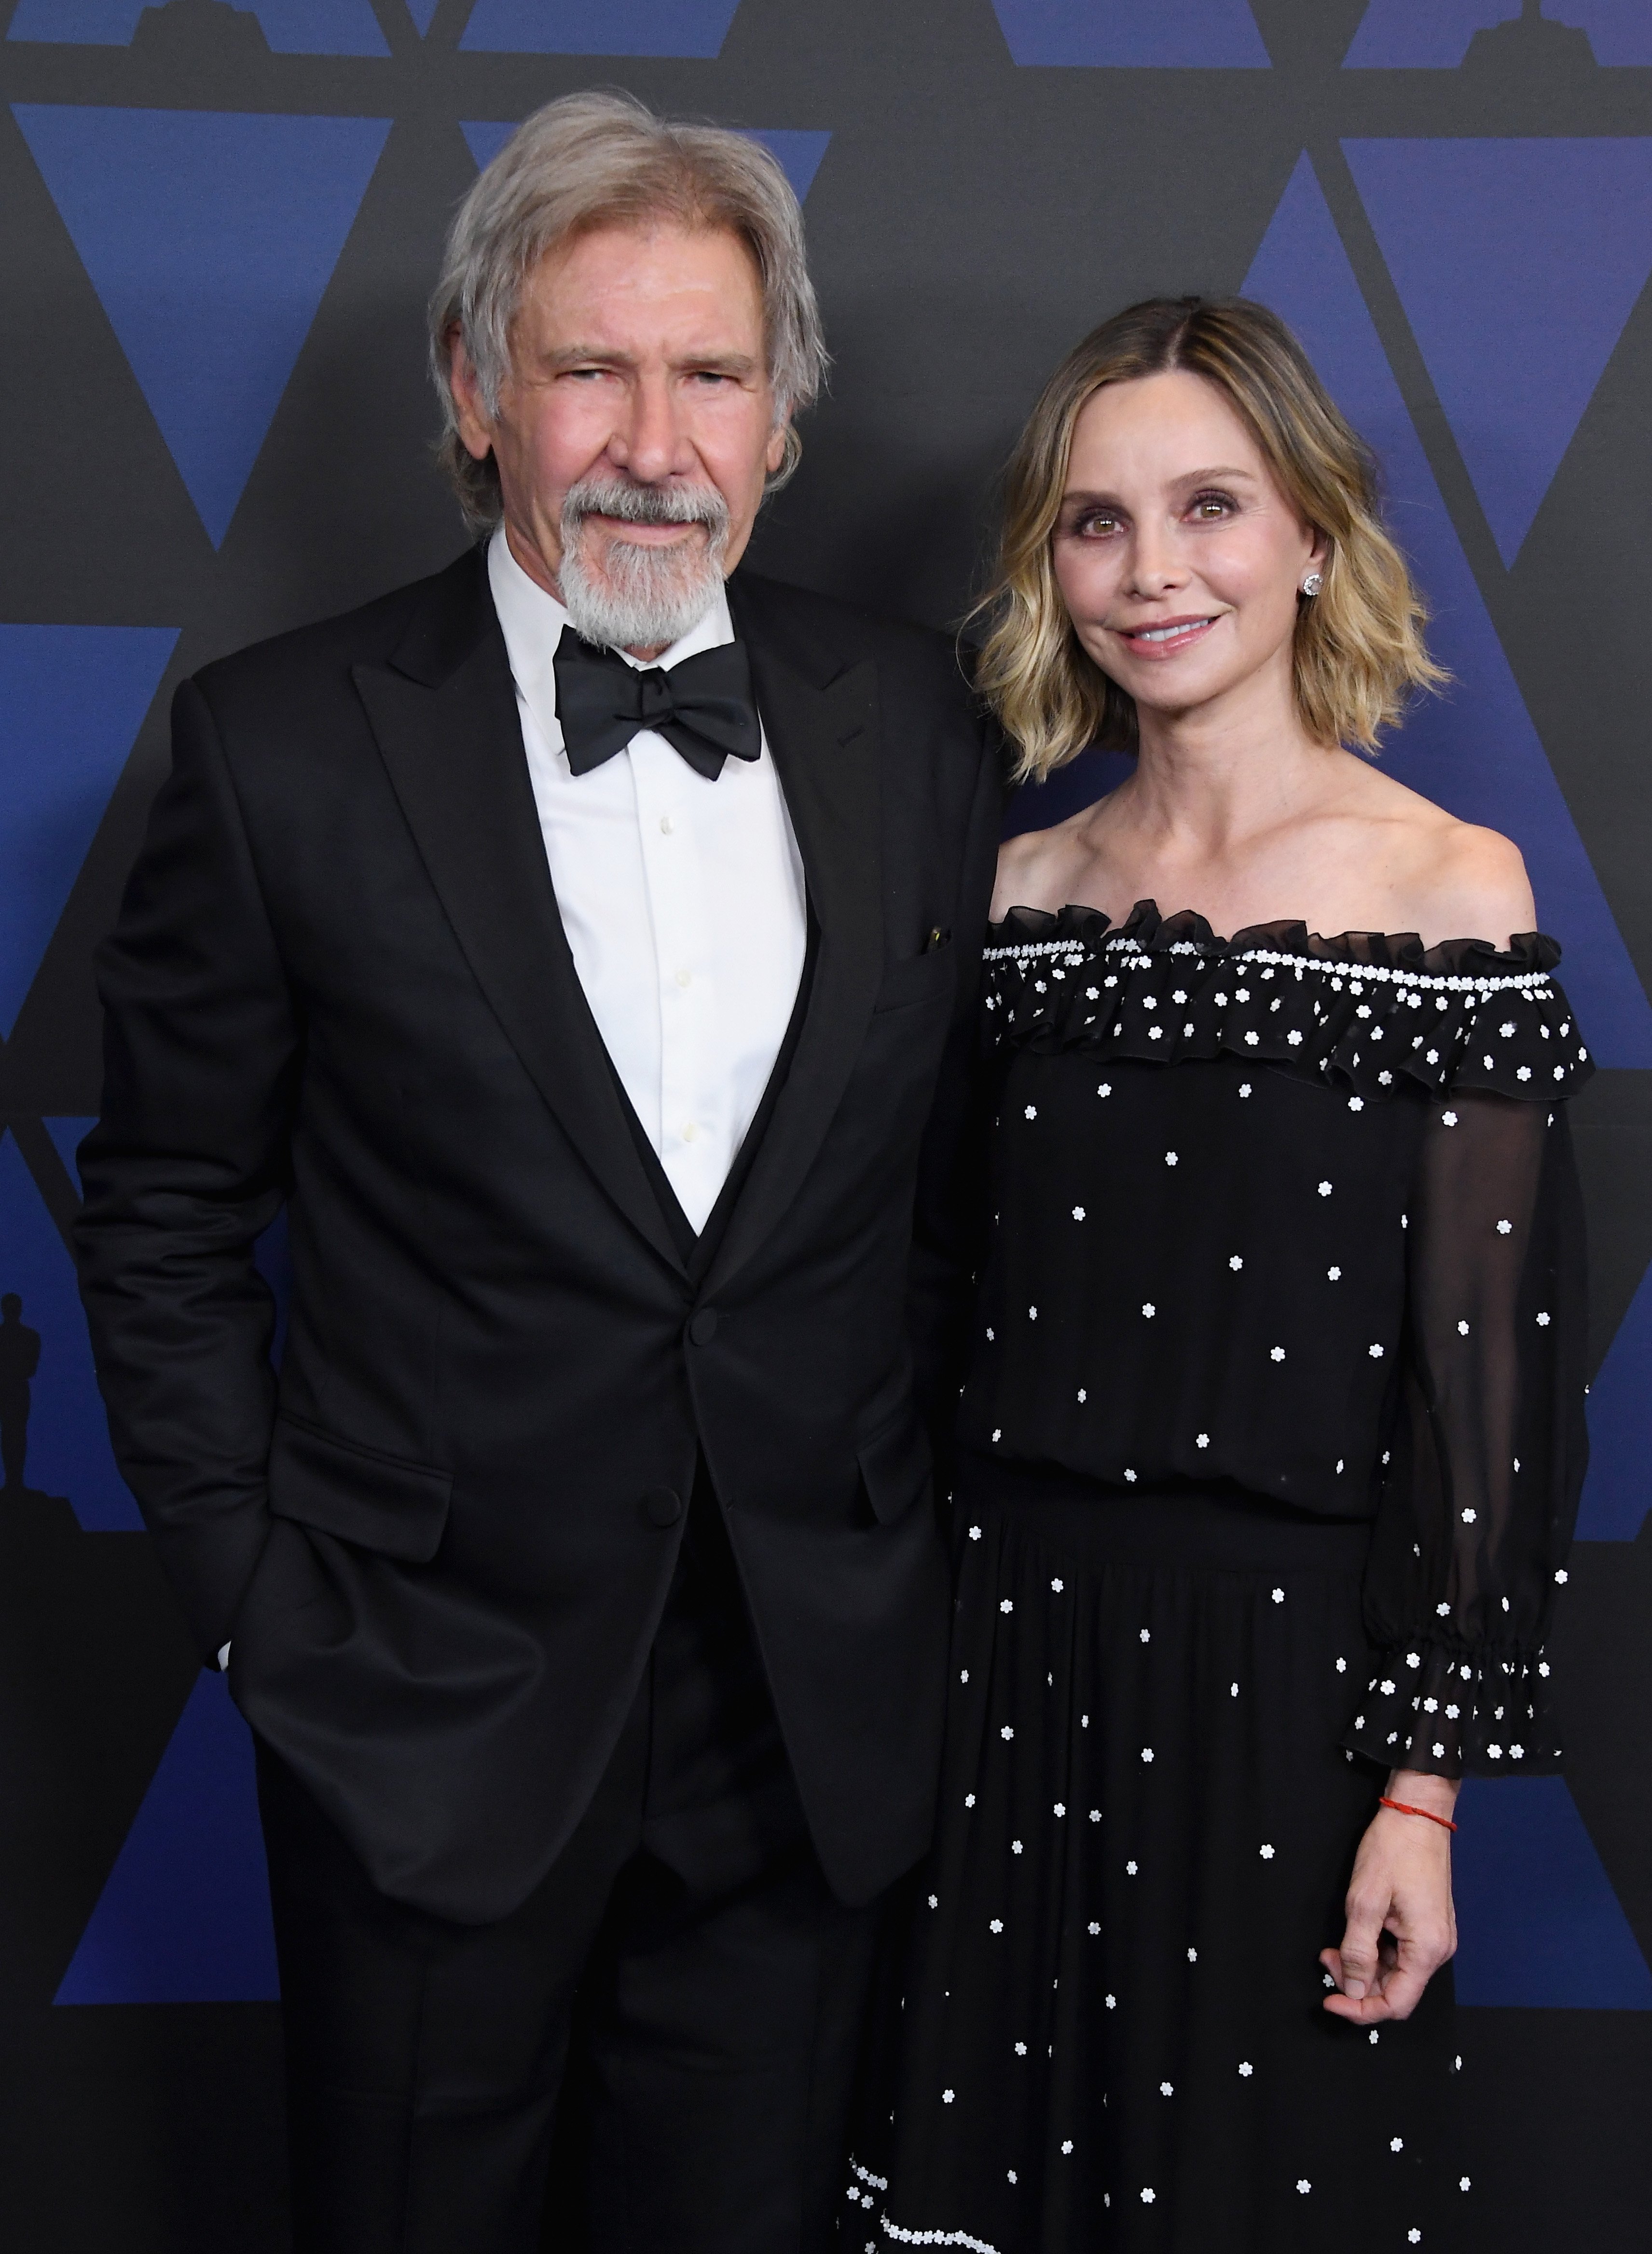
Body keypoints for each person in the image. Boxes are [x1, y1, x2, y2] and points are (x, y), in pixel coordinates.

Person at [74, 92, 1000, 2254]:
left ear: (781, 421)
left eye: (713, 372)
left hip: (807, 1718)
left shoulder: (926, 727)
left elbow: (960, 1195)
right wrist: (257, 1612)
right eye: (592, 367)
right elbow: (169, 1211)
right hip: (417, 1703)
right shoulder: (282, 740)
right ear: (477, 394)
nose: (654, 438)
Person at [850, 297, 1588, 2251]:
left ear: (1311, 535)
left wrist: (1420, 1794)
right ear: (1048, 563)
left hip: (1291, 1689)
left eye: (1208, 505)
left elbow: (1488, 1402)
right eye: (1096, 522)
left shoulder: (1453, 889)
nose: (1152, 569)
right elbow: (924, 1311)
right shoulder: (1011, 892)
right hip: (998, 1665)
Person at [0, 1292, 42, 1493]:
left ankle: (15, 1482)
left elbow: (30, 1368)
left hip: (15, 1389)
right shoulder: (29, 1337)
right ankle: (13, 1482)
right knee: (11, 1433)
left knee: (16, 1433)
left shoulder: (31, 1337)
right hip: (9, 1388)